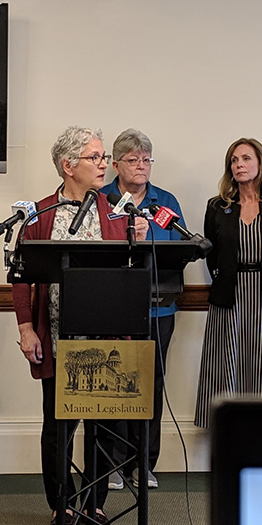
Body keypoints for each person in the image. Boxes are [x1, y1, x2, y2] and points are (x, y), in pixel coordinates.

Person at [12, 126, 142, 525]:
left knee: (102, 424)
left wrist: (139, 241)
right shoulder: (39, 213)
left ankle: (96, 503)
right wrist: (26, 329)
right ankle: (60, 504)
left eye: (104, 157)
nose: (105, 164)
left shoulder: (117, 211)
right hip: (56, 336)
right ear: (68, 165)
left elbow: (131, 274)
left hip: (105, 339)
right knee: (58, 424)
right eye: (96, 157)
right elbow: (20, 277)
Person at [99, 128, 185, 491]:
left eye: (146, 160)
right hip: (112, 307)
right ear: (116, 164)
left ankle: (143, 464)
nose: (141, 166)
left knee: (150, 385)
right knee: (113, 385)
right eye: (133, 160)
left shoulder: (165, 202)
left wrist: (149, 231)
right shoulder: (100, 199)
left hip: (158, 308)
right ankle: (111, 464)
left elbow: (181, 247)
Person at [194, 137, 262, 428]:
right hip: (230, 295)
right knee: (227, 362)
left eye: (245, 159)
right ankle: (231, 431)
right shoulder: (217, 207)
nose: (239, 165)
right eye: (233, 160)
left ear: (260, 163)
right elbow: (212, 255)